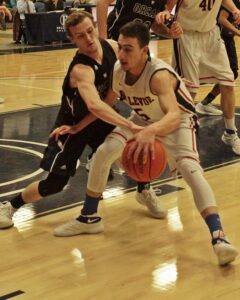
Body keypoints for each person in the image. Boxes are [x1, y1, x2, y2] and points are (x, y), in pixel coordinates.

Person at [53, 21, 238, 266]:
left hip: (178, 124)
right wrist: (78, 127)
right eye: (120, 47)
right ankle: (89, 217)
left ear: (145, 51)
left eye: (128, 49)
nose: (121, 54)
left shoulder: (159, 75)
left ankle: (219, 237)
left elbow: (173, 115)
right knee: (103, 153)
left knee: (192, 172)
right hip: (143, 119)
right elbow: (106, 103)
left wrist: (151, 131)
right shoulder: (120, 70)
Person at [0, 11, 167, 232]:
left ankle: (144, 189)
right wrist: (129, 125)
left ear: (96, 26)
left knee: (134, 149)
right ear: (72, 40)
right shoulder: (81, 69)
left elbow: (142, 64)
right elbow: (95, 106)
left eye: (90, 31)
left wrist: (169, 77)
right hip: (73, 124)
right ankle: (9, 206)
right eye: (80, 36)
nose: (88, 38)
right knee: (54, 184)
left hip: (103, 117)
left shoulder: (112, 47)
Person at [155, 0, 240, 156]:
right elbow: (168, 6)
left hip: (211, 34)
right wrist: (166, 12)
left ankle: (230, 133)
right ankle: (179, 134)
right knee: (189, 90)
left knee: (228, 83)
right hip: (186, 36)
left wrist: (234, 10)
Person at [196, 0, 240, 116]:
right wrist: (238, 32)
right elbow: (222, 19)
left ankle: (205, 103)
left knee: (231, 74)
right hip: (220, 38)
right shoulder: (233, 1)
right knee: (227, 75)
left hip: (227, 39)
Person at [96, 0, 183, 40]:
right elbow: (102, 2)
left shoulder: (162, 2)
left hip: (139, 45)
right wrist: (103, 39)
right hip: (115, 38)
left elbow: (153, 25)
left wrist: (169, 33)